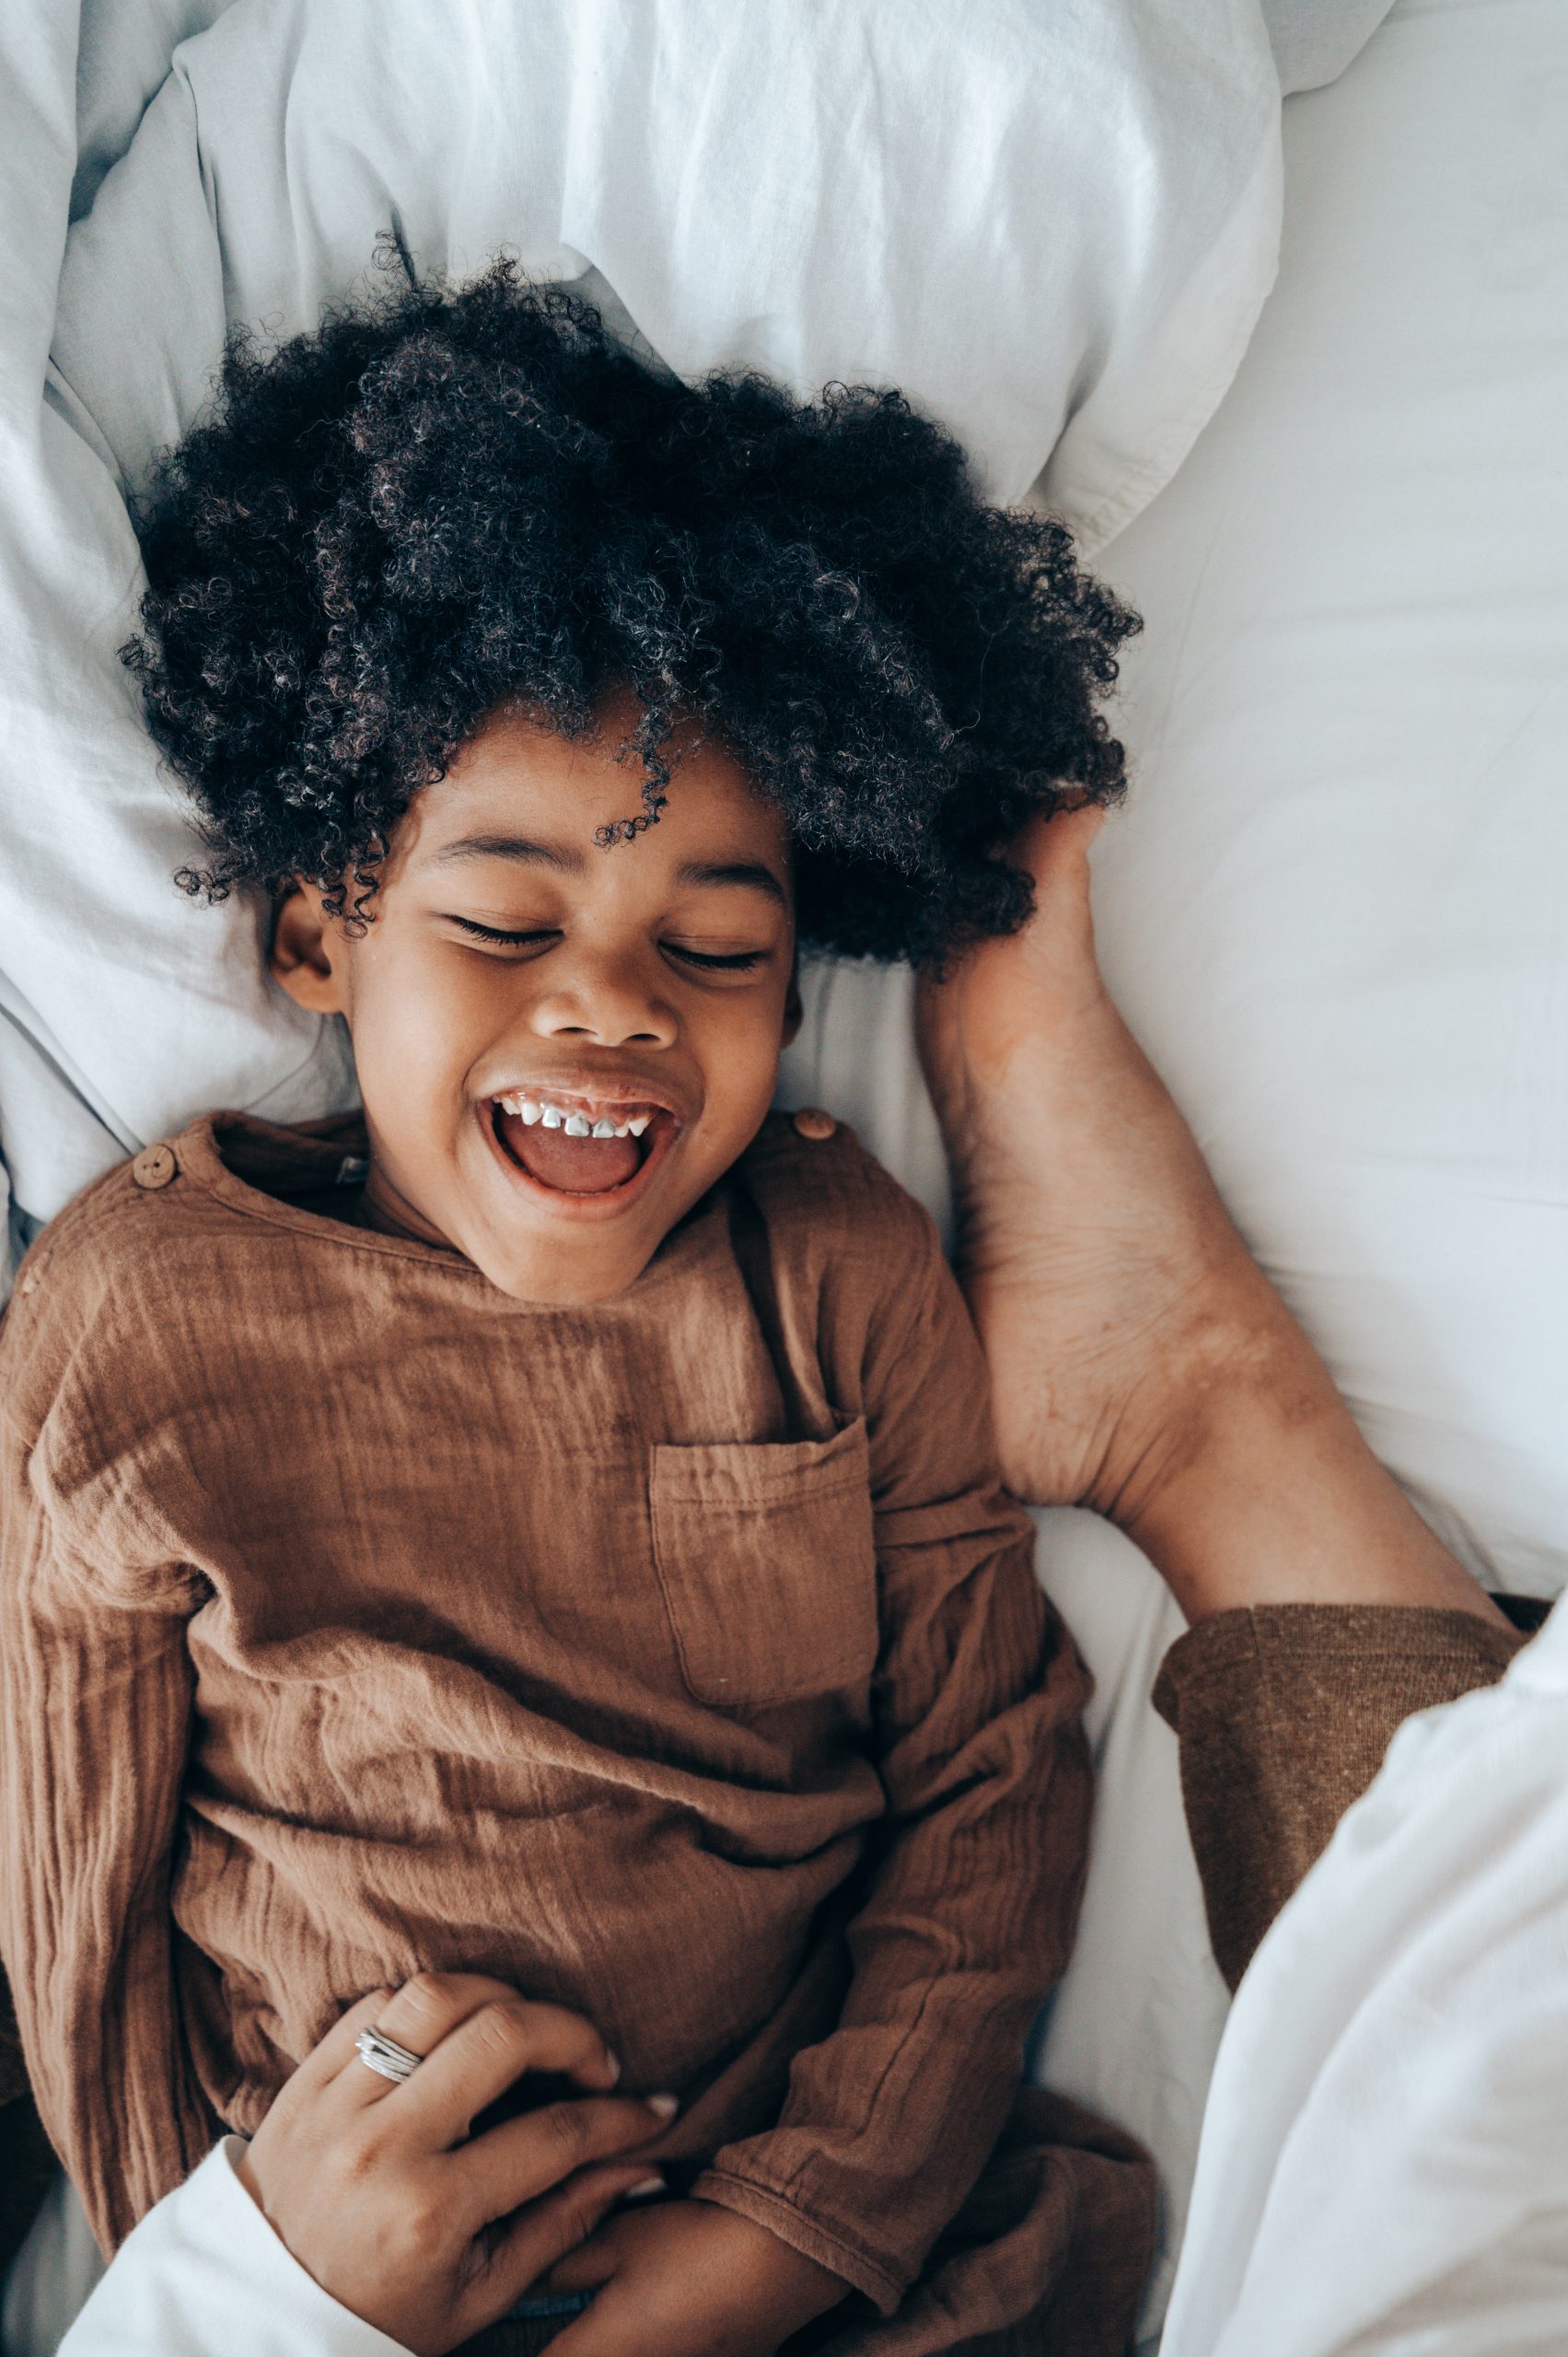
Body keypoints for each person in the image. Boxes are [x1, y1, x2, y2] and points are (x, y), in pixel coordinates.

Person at [0, 264, 1156, 2357]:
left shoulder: (836, 1270)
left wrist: (792, 2235)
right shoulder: (137, 1319)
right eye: (505, 917)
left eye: (715, 946)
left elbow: (993, 1776)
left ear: (802, 990)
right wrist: (241, 2267)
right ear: (314, 934)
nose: (611, 1003)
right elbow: (74, 1911)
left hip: (822, 2273)